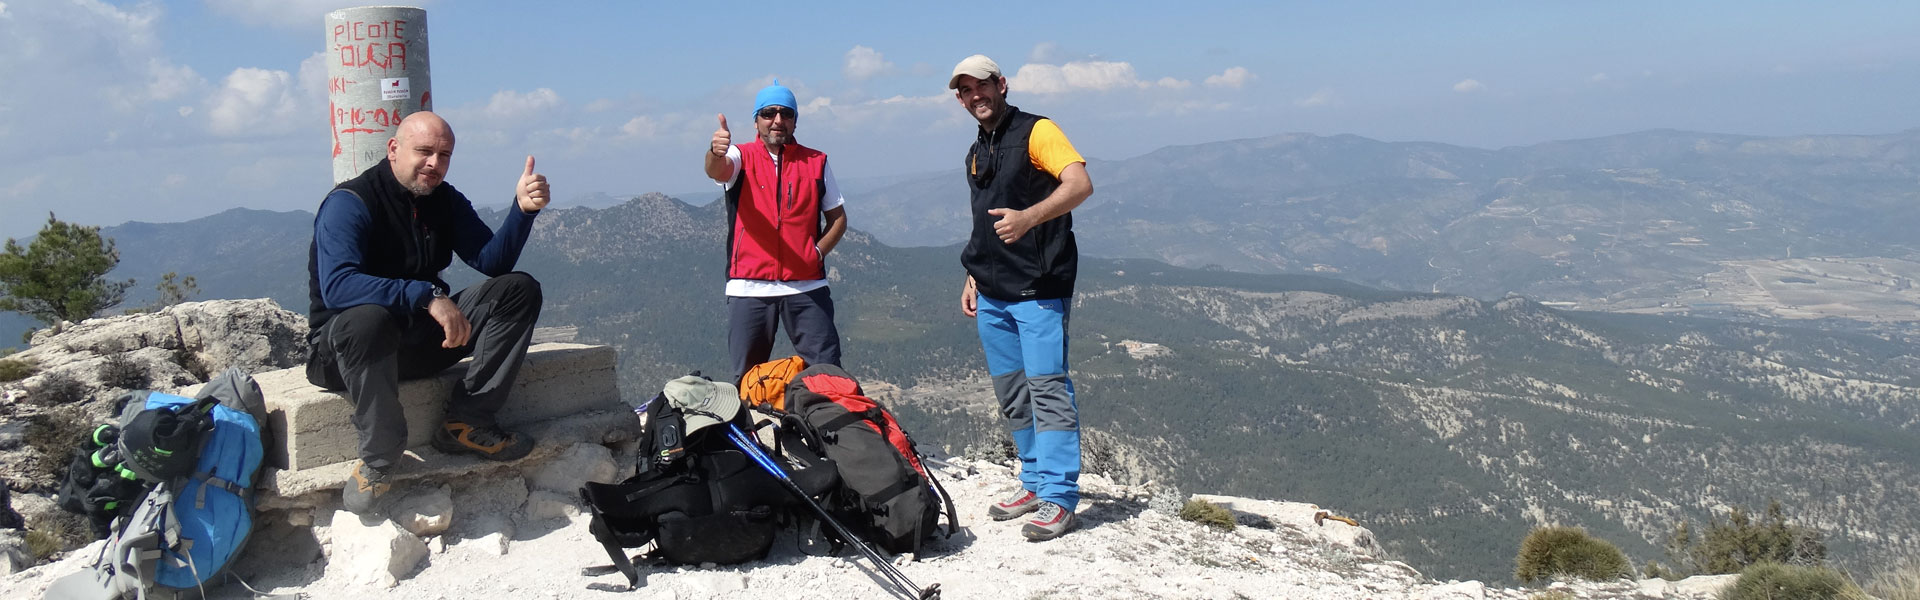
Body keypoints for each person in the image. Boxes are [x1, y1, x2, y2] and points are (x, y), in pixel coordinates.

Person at [306, 111, 550, 515]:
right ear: (393, 150)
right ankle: (380, 458)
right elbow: (337, 287)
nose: (434, 163)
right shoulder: (350, 203)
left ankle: (468, 422)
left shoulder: (443, 199)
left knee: (518, 290)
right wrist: (426, 296)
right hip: (346, 352)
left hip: (415, 340)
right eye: (424, 152)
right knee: (369, 318)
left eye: (444, 154)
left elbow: (492, 261)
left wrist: (522, 212)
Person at [950, 55, 1095, 541]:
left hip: (1039, 288)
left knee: (1048, 388)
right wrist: (974, 274)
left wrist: (1030, 218)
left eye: (982, 86)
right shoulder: (978, 146)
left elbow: (1080, 184)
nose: (976, 96)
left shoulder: (1038, 131)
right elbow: (983, 220)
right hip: (992, 292)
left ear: (1002, 84)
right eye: (966, 90)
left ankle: (1059, 497)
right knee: (1013, 394)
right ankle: (1033, 481)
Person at [703, 80, 848, 383]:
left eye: (786, 113)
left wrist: (816, 253)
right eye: (769, 113)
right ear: (756, 120)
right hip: (749, 287)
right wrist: (715, 153)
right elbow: (717, 171)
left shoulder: (817, 162)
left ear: (795, 120)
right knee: (746, 382)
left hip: (807, 286)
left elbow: (838, 219)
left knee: (829, 376)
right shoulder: (740, 157)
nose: (778, 120)